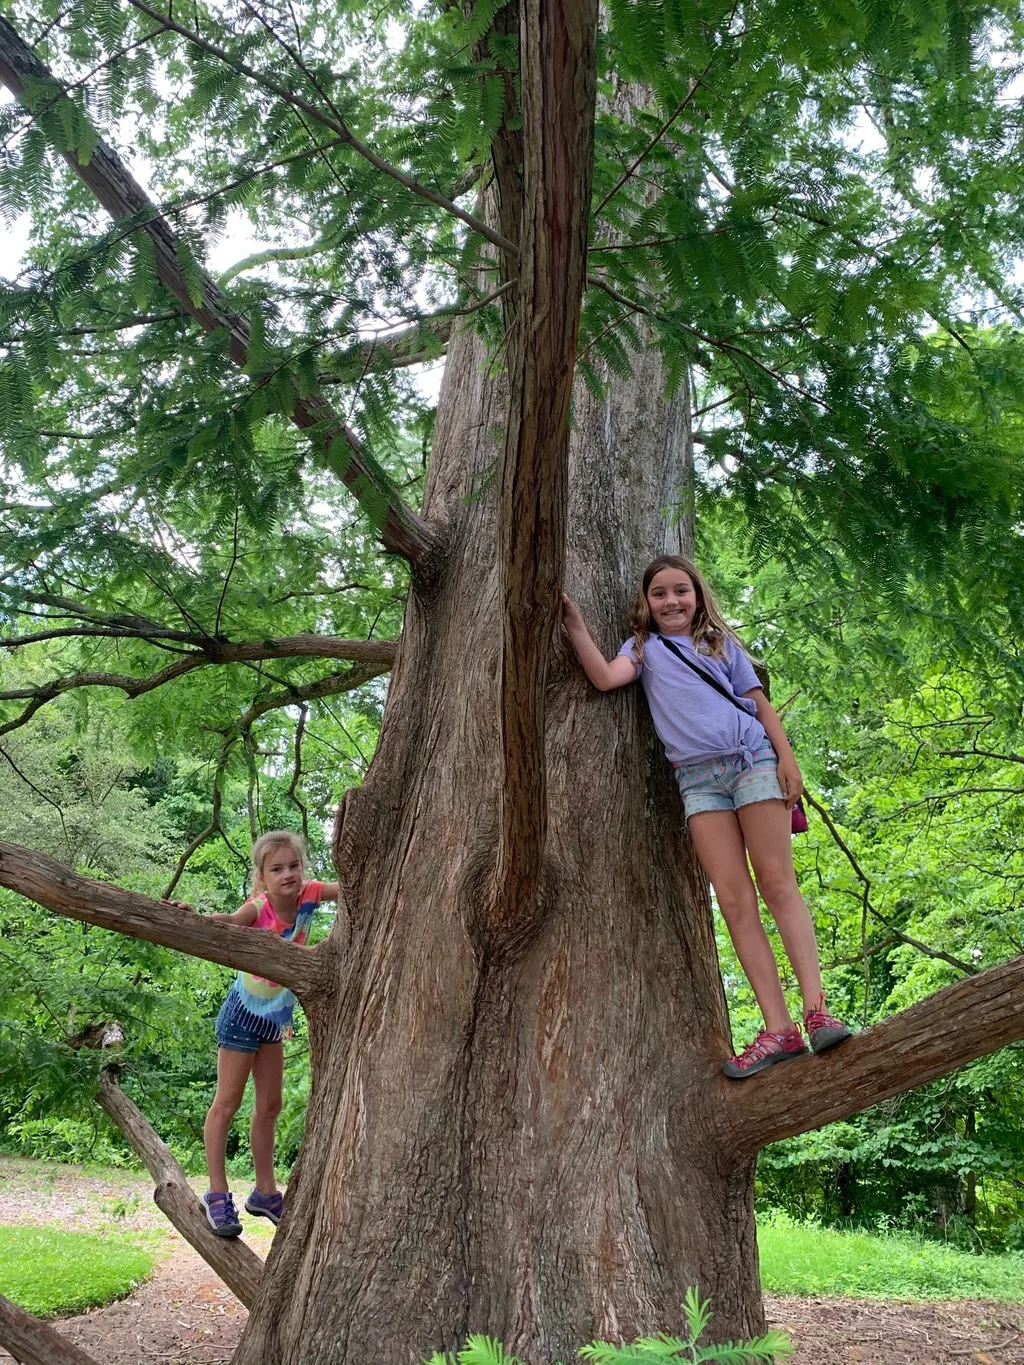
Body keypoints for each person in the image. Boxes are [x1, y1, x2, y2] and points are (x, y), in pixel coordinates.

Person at [561, 554, 850, 1079]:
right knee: (735, 902)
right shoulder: (642, 648)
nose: (672, 601)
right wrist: (575, 625)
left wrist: (788, 760)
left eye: (681, 591)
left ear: (697, 596)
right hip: (696, 781)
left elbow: (759, 705)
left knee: (777, 884)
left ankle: (817, 1011)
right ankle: (778, 1029)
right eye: (660, 594)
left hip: (750, 761)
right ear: (646, 604)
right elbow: (605, 679)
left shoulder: (719, 642)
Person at [183, 830, 338, 1235]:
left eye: (294, 865)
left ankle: (265, 1193)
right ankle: (217, 1194)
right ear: (262, 877)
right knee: (227, 1101)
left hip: (273, 1022)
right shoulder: (258, 908)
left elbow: (350, 887)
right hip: (242, 1015)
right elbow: (229, 924)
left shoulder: (310, 895)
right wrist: (192, 918)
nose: (288, 874)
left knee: (270, 1105)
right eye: (277, 868)